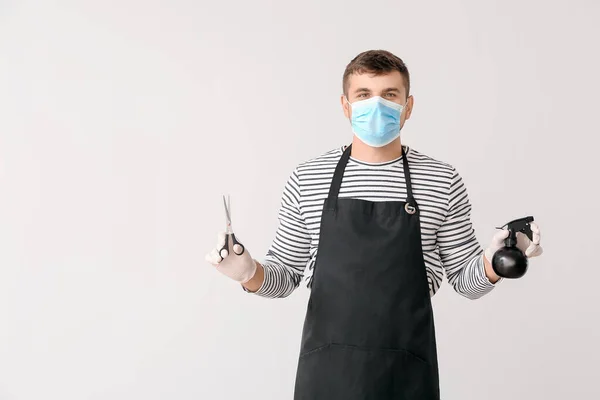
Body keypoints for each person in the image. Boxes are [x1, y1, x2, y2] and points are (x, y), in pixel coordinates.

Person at [205, 49, 543, 400]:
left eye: (390, 95)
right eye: (364, 95)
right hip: (328, 375)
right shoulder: (308, 178)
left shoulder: (441, 179)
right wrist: (248, 274)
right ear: (345, 105)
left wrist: (494, 261)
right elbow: (284, 277)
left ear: (408, 107)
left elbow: (465, 282)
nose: (376, 105)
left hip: (407, 373)